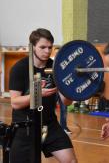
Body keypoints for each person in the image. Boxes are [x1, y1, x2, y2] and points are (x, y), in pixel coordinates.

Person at [9, 28, 77, 163]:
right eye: (42, 47)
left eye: (50, 47)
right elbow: (15, 103)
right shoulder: (20, 68)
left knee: (71, 161)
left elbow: (67, 102)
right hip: (25, 127)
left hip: (48, 126)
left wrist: (68, 89)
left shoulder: (56, 68)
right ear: (32, 47)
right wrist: (37, 94)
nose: (47, 51)